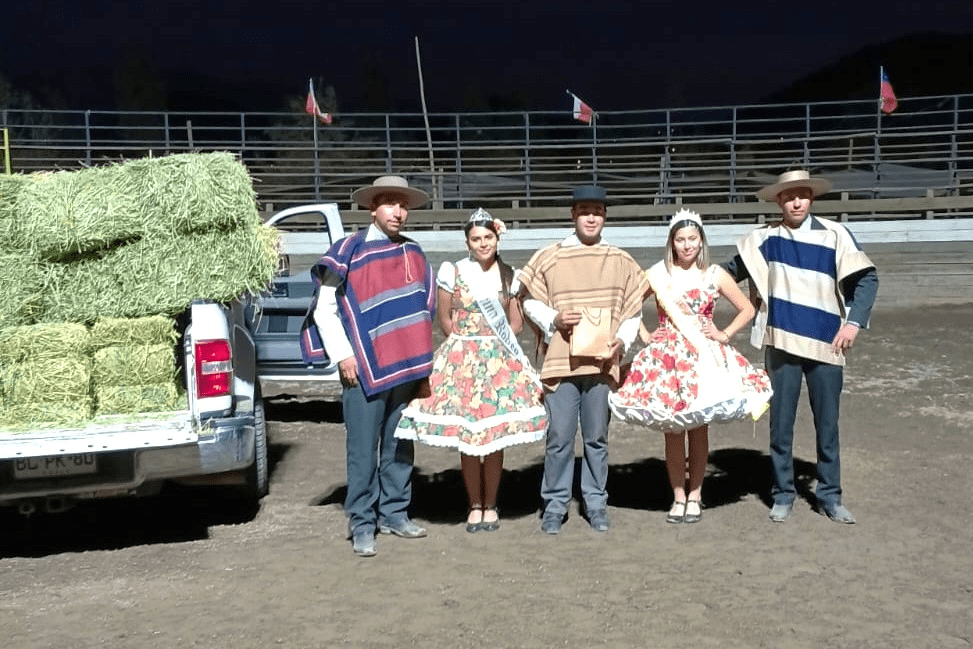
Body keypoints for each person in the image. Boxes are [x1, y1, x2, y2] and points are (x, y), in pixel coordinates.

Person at [724, 170, 878, 524]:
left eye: (803, 195)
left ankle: (830, 495)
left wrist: (853, 323)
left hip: (827, 344)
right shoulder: (764, 239)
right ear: (778, 200)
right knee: (780, 424)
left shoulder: (835, 234)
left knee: (828, 426)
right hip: (781, 343)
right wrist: (682, 282)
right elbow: (726, 273)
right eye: (789, 196)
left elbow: (867, 277)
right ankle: (782, 494)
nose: (796, 201)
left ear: (811, 198)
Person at [609, 209, 773, 524]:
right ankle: (678, 497)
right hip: (667, 359)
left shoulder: (714, 274)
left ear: (701, 242)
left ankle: (696, 495)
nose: (687, 246)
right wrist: (645, 334)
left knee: (698, 429)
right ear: (671, 243)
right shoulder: (656, 274)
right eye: (681, 240)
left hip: (703, 358)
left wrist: (724, 334)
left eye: (692, 240)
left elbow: (747, 308)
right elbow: (628, 305)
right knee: (672, 430)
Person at [394, 208, 548, 533]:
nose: (483, 244)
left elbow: (515, 324)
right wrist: (465, 347)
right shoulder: (453, 270)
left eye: (488, 237)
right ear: (467, 241)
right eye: (476, 239)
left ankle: (490, 503)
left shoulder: (508, 274)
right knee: (468, 437)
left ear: (497, 238)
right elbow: (445, 319)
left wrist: (494, 339)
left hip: (498, 362)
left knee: (494, 436)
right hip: (462, 360)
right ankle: (473, 504)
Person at [310, 175, 436, 556]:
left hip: (406, 365)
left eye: (403, 206)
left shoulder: (413, 253)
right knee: (363, 450)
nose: (398, 212)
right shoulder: (349, 250)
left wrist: (423, 364)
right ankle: (362, 522)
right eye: (389, 204)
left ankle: (394, 513)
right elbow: (325, 308)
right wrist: (344, 354)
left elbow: (422, 308)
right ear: (373, 209)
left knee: (400, 445)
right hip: (362, 367)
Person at [518, 185, 650, 534]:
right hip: (562, 363)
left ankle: (595, 502)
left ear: (604, 216)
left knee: (596, 438)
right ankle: (555, 504)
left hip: (602, 365)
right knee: (559, 436)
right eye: (584, 210)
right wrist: (553, 319)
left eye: (598, 211)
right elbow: (528, 299)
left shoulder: (620, 260)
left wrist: (621, 341)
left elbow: (633, 312)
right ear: (573, 214)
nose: (591, 217)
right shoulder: (551, 256)